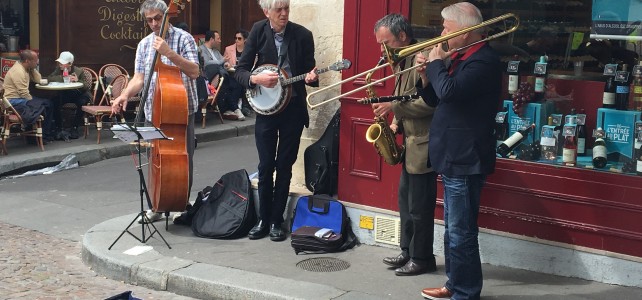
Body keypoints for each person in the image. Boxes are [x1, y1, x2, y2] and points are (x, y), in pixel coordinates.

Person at [414, 2, 501, 299]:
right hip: (451, 154)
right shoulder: (462, 57)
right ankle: (454, 284)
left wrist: (437, 63)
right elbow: (440, 97)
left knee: (462, 232)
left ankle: (465, 292)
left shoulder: (484, 61)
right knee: (453, 230)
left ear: (465, 32)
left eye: (447, 29)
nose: (441, 35)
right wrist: (427, 76)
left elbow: (450, 90)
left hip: (466, 156)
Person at [234, 0, 318, 242]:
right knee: (265, 165)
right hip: (266, 111)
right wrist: (256, 80)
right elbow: (240, 71)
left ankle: (276, 220)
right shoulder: (258, 31)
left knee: (284, 166)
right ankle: (262, 219)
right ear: (266, 12)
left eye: (287, 9)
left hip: (292, 109)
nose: (284, 14)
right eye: (278, 10)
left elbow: (309, 74)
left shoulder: (303, 35)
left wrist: (311, 77)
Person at [111, 0, 200, 223]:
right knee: (156, 160)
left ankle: (181, 203)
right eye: (149, 20)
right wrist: (124, 95)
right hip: (154, 110)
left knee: (182, 159)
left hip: (181, 109)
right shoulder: (143, 45)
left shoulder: (184, 38)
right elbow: (139, 78)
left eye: (157, 18)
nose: (153, 23)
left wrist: (169, 53)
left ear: (167, 16)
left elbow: (195, 71)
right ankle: (158, 205)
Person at [370, 14, 437, 276]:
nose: (382, 50)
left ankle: (422, 258)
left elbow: (428, 102)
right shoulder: (400, 60)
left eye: (385, 43)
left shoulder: (423, 58)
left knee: (420, 207)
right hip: (409, 143)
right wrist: (395, 123)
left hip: (424, 142)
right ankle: (407, 251)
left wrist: (393, 107)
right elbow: (403, 97)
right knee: (405, 203)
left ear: (402, 36)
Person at [3, 49, 55, 144]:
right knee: (46, 104)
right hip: (13, 101)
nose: (37, 62)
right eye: (35, 61)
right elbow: (23, 93)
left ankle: (43, 134)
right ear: (27, 61)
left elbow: (38, 80)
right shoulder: (18, 71)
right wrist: (34, 102)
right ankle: (42, 136)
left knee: (46, 103)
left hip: (21, 98)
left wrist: (33, 68)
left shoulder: (26, 68)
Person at [46, 51, 92, 139]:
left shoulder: (79, 71)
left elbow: (86, 86)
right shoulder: (58, 70)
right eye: (59, 62)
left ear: (70, 64)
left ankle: (74, 127)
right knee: (54, 101)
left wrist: (77, 80)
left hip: (79, 94)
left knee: (82, 103)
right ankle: (58, 128)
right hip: (65, 93)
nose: (60, 64)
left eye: (62, 63)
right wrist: (63, 78)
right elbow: (50, 78)